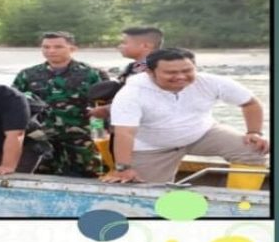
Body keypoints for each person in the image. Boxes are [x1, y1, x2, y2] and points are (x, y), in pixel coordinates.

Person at [102, 48, 269, 188]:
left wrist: (254, 132)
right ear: (150, 72)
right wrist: (123, 168)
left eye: (187, 71)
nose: (181, 76)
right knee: (139, 189)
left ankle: (241, 202)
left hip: (201, 133)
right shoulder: (131, 93)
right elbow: (125, 133)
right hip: (152, 146)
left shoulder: (212, 82)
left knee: (254, 150)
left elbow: (250, 103)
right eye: (171, 72)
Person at [12, 31, 109, 177]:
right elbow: (15, 104)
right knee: (40, 178)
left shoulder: (92, 74)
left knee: (88, 177)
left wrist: (100, 135)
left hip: (81, 138)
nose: (51, 51)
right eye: (46, 47)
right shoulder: (27, 74)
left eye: (58, 47)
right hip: (41, 138)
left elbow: (104, 106)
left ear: (72, 48)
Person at [88, 27, 164, 119]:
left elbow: (150, 100)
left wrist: (107, 109)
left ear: (145, 46)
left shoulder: (157, 69)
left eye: (124, 43)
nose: (120, 46)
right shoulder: (137, 66)